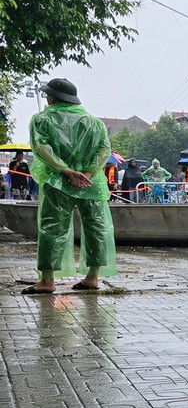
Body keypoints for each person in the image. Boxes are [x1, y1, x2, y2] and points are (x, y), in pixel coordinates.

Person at [23, 78, 116, 294]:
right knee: (96, 228)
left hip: (58, 181)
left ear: (52, 97)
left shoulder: (41, 119)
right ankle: (92, 277)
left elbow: (41, 148)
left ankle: (47, 280)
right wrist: (87, 173)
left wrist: (66, 171)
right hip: (90, 184)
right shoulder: (94, 123)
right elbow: (104, 149)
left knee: (52, 228)